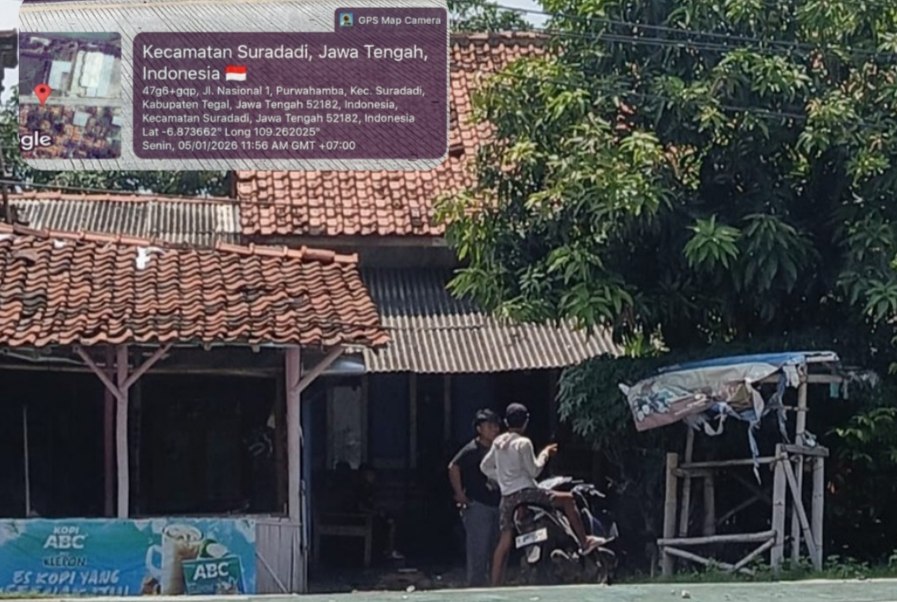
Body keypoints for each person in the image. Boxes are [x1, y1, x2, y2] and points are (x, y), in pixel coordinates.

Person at [481, 403, 604, 586]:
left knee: (504, 541)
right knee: (568, 499)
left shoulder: (499, 442)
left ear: (506, 422)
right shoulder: (524, 443)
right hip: (528, 494)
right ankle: (584, 542)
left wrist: (502, 479)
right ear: (525, 422)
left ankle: (494, 584)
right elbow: (534, 471)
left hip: (507, 499)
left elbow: (484, 467)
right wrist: (545, 454)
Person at [448, 409, 502, 587]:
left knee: (497, 548)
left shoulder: (499, 448)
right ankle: (476, 588)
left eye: (496, 426)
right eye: (489, 426)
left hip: (499, 503)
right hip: (478, 505)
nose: (494, 429)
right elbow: (453, 466)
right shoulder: (472, 449)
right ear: (479, 429)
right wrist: (460, 494)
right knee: (478, 550)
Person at [356, 463, 404, 561]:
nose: (373, 477)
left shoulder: (370, 488)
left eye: (373, 474)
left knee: (391, 521)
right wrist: (374, 512)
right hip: (362, 517)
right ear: (364, 475)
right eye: (370, 474)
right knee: (385, 524)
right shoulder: (360, 488)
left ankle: (389, 550)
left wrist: (378, 511)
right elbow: (359, 506)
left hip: (371, 515)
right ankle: (385, 551)